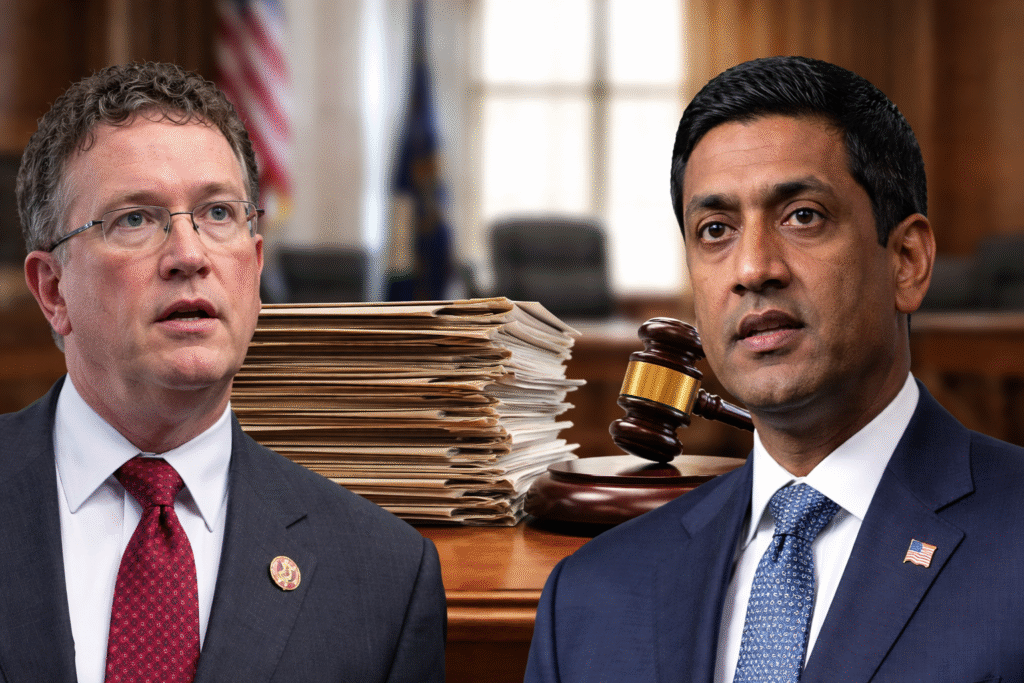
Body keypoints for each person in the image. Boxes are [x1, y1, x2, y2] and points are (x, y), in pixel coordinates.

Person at [525, 55, 1024, 683]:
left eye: (802, 216)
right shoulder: (590, 597)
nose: (753, 268)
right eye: (715, 230)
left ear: (906, 260)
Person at [8, 62, 446, 683]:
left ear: (256, 267)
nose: (189, 255)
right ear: (52, 290)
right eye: (134, 218)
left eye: (217, 214)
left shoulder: (384, 575)